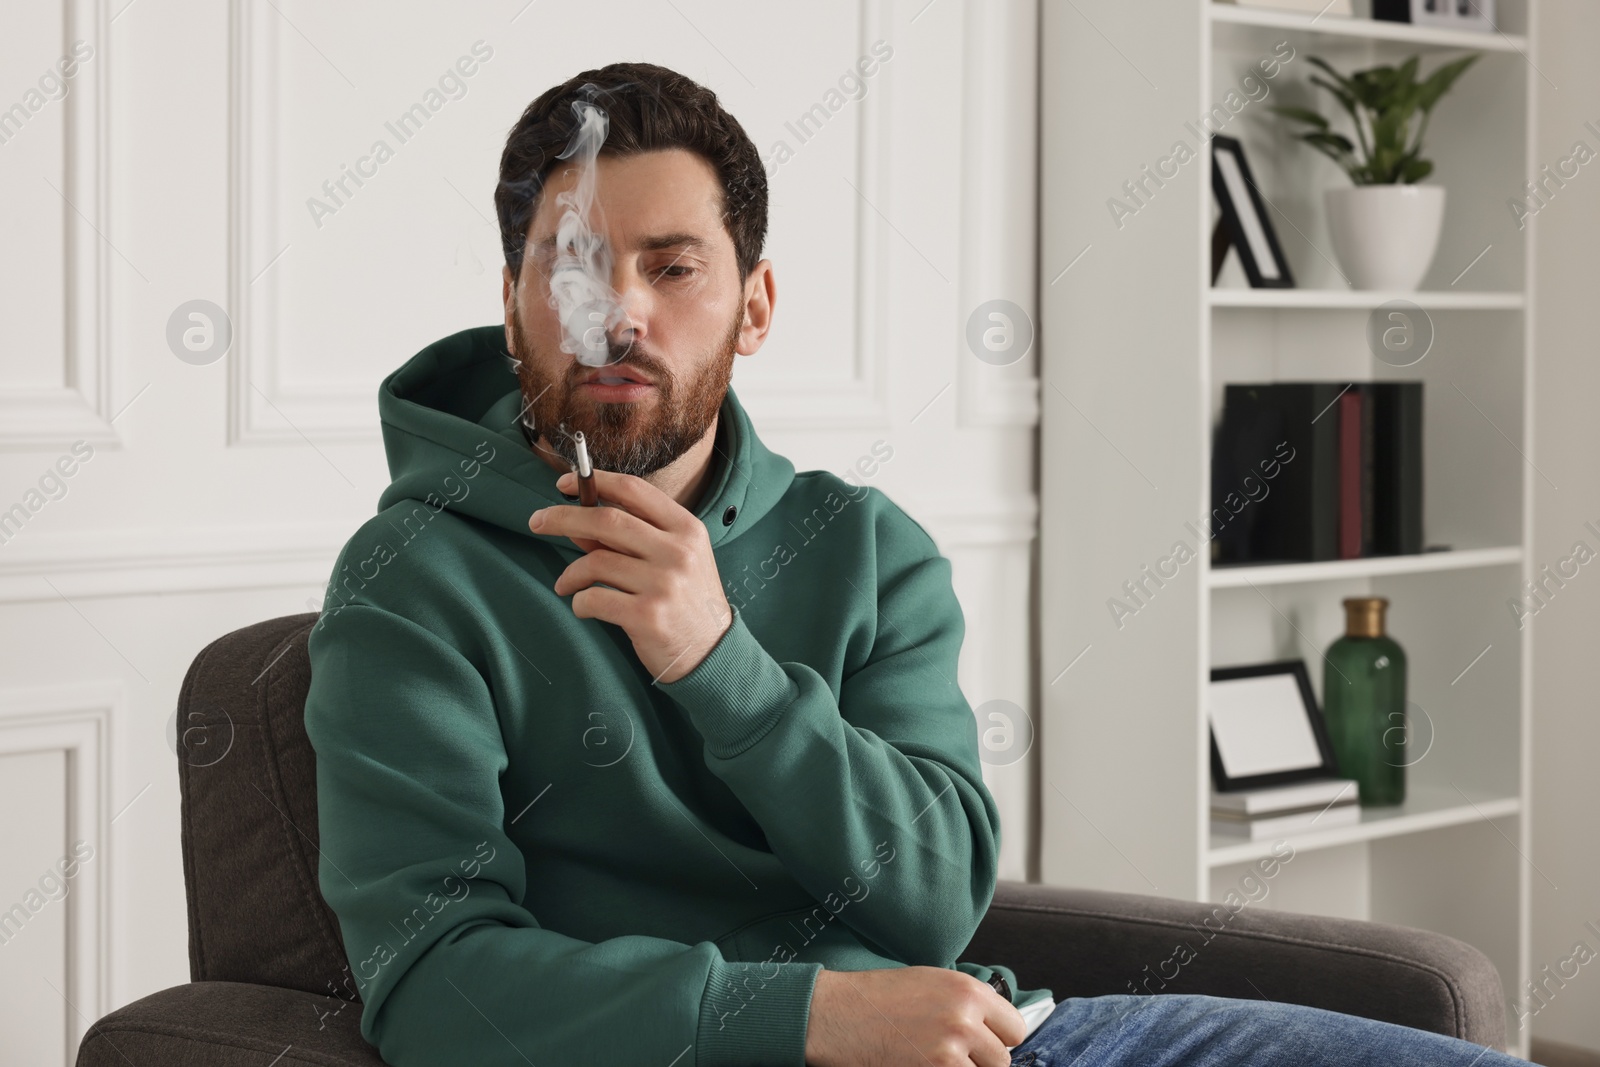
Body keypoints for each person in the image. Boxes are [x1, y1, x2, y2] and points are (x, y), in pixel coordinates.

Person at [302, 61, 1534, 1067]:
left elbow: (935, 897)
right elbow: (432, 981)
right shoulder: (411, 576)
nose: (617, 313)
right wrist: (805, 1016)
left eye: (672, 266)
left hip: (1009, 1044)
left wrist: (719, 662)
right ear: (513, 299)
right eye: (569, 265)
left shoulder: (867, 545)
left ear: (755, 304)